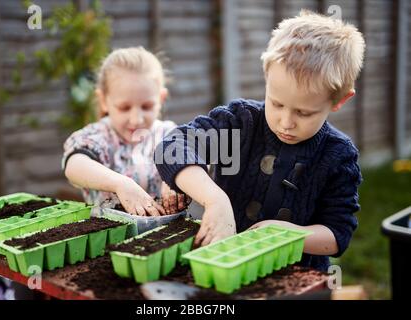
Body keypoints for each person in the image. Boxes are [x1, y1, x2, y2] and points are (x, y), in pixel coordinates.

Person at [155, 11, 365, 271]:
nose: (286, 121)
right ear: (267, 78)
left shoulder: (338, 155)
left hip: (296, 278)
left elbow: (338, 234)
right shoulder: (242, 124)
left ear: (339, 100)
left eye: (304, 113)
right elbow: (173, 147)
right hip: (223, 267)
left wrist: (286, 235)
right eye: (276, 103)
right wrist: (214, 199)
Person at [63, 47, 188, 216]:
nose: (136, 119)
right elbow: (74, 165)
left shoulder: (168, 135)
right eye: (124, 108)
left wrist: (180, 175)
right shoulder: (99, 136)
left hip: (167, 235)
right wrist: (121, 184)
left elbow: (201, 158)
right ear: (104, 101)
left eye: (146, 106)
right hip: (109, 236)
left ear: (161, 99)